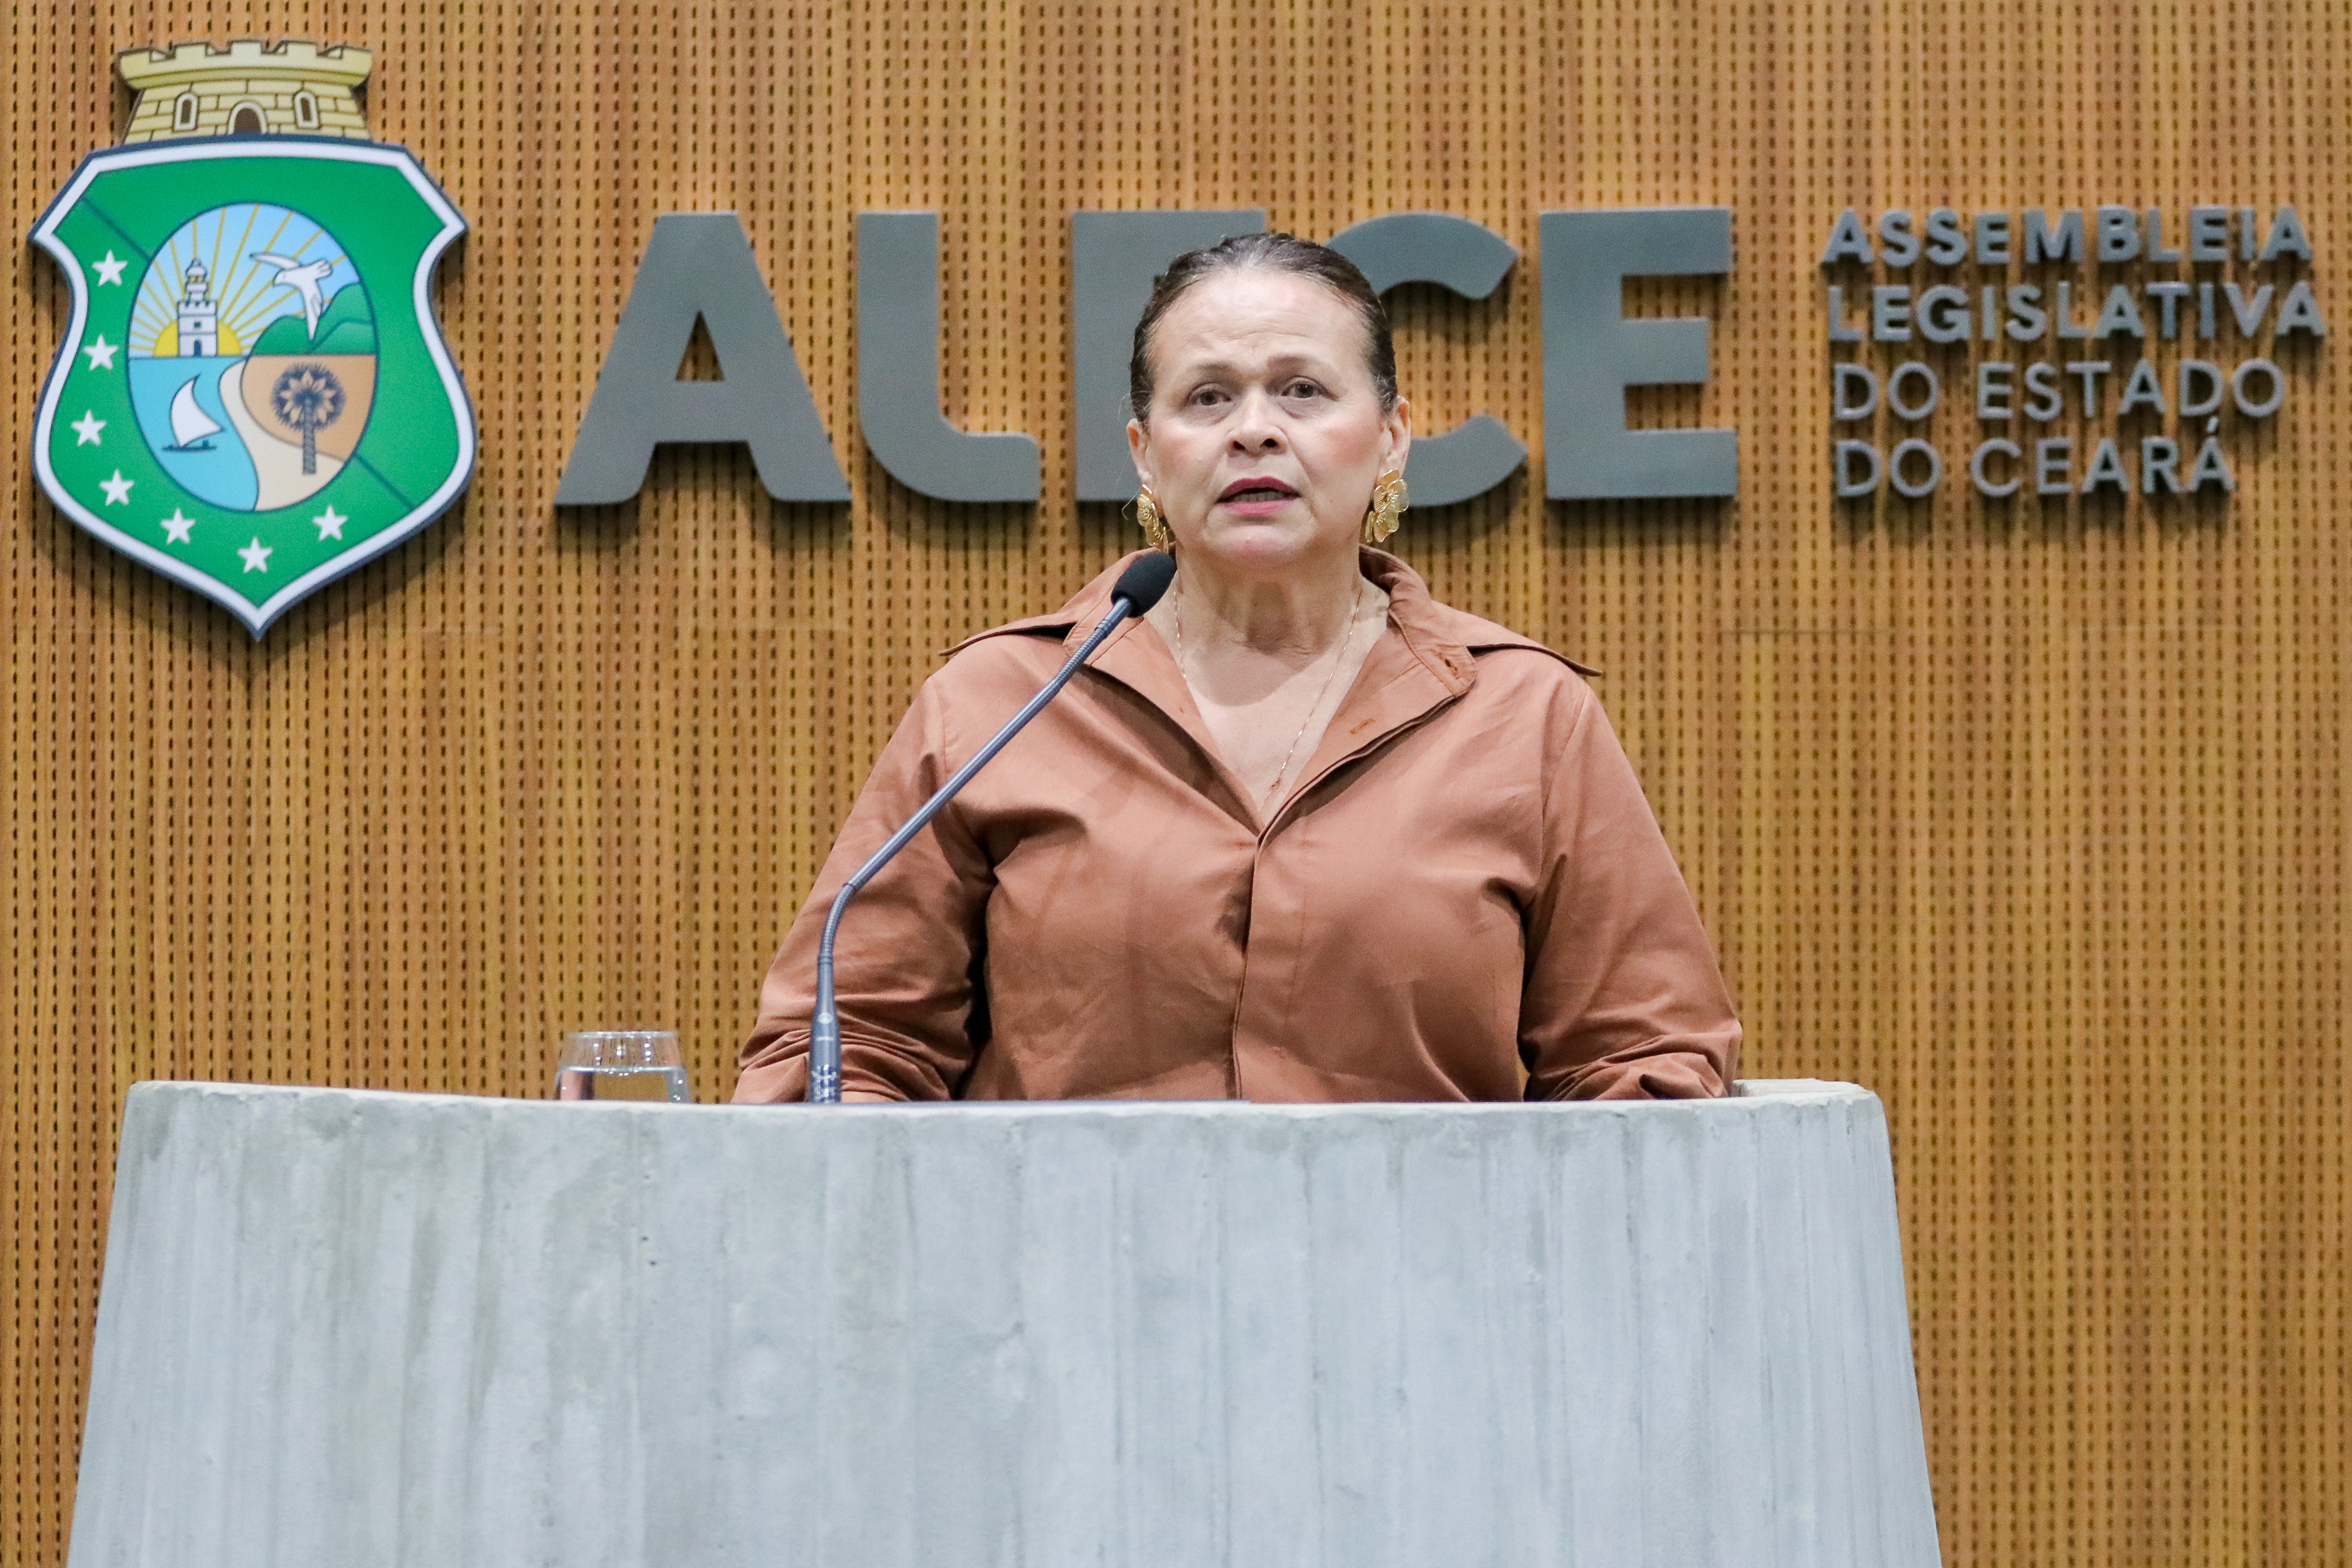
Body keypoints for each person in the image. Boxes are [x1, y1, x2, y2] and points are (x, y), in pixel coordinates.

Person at [735, 233, 1739, 1103]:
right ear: (1144, 453)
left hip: (1423, 1264)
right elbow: (845, 1044)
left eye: (1302, 390)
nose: (1253, 428)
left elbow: (1643, 1057)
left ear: (1390, 438)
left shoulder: (1523, 713)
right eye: (1207, 397)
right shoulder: (1001, 702)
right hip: (1061, 1263)